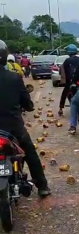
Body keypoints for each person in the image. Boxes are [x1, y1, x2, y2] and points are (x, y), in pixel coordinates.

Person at [0, 40, 50, 197]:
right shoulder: (14, 78)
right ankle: (42, 186)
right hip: (13, 127)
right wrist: (28, 106)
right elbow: (26, 103)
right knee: (29, 152)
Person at [58, 44, 79, 116]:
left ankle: (60, 108)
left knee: (64, 93)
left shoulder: (67, 61)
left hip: (71, 82)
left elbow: (63, 72)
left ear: (68, 52)